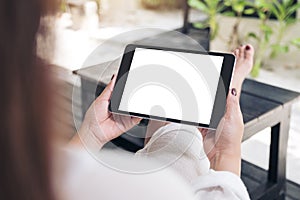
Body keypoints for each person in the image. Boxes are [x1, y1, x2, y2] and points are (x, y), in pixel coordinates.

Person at [0, 0, 253, 199]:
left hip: (146, 164)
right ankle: (231, 88)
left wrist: (91, 134)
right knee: (183, 127)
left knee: (164, 121)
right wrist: (229, 152)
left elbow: (57, 179)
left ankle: (196, 98)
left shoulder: (29, 182)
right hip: (175, 179)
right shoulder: (140, 189)